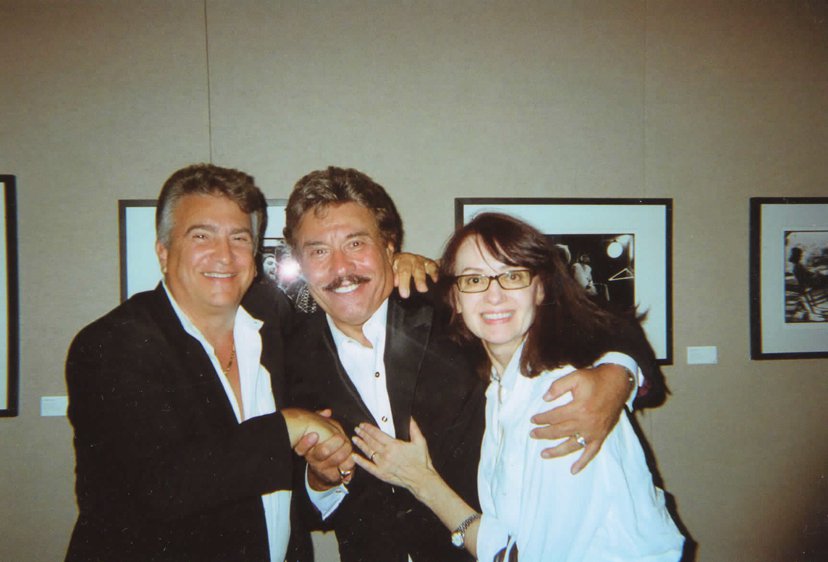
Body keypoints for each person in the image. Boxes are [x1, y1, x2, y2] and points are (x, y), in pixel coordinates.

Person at [281, 167, 660, 561]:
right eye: (319, 250)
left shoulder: (452, 305)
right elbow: (298, 507)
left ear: (389, 248)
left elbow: (603, 323)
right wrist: (321, 480)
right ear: (301, 263)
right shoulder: (288, 356)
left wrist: (618, 375)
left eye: (356, 243)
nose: (341, 268)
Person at [352, 212, 684, 561]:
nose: (494, 295)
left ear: (540, 289)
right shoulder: (500, 389)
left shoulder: (561, 400)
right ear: (456, 298)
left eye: (512, 276)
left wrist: (422, 482)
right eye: (475, 279)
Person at [64, 163, 352, 561]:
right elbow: (159, 488)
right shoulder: (112, 344)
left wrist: (318, 477)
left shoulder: (272, 326)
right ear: (163, 253)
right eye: (202, 235)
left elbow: (265, 488)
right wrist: (289, 424)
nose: (224, 255)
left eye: (239, 238)